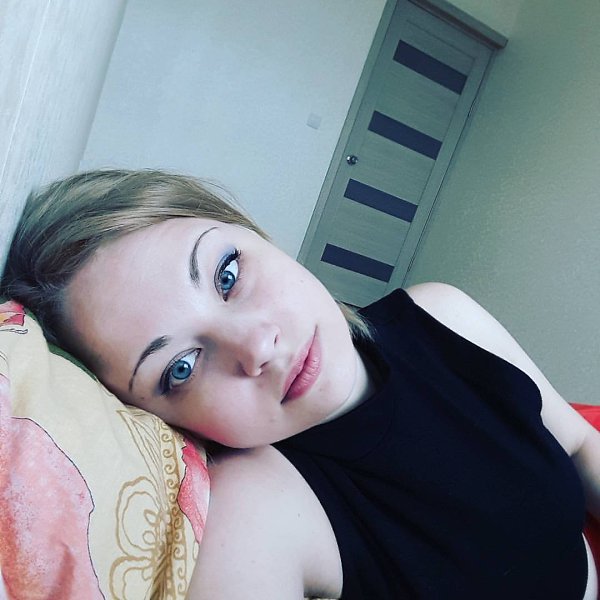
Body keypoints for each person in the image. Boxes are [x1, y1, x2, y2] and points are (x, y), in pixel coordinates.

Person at [2, 169, 599, 600]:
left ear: (254, 234)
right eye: (180, 368)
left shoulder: (444, 315)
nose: (257, 347)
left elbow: (578, 443)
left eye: (227, 274)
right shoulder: (260, 513)